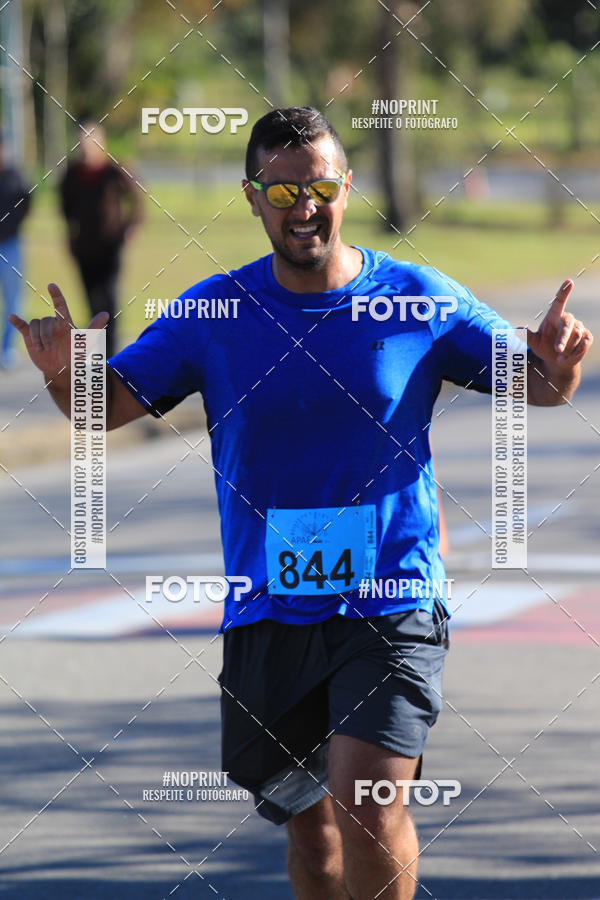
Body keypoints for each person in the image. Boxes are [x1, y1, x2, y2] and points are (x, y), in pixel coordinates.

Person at [10, 107, 593, 899]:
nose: (303, 207)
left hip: (391, 596)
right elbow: (101, 406)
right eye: (281, 192)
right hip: (269, 609)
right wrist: (60, 371)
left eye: (318, 186)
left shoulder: (415, 299)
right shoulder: (214, 312)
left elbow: (539, 384)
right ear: (253, 199)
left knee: (368, 801)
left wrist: (560, 366)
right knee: (312, 834)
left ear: (345, 186)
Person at [58, 121, 142, 357]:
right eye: (82, 142)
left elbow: (137, 200)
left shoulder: (114, 171)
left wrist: (131, 227)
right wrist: (70, 235)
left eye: (91, 141)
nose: (87, 147)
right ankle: (97, 356)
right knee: (92, 303)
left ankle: (113, 357)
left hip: (111, 247)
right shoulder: (72, 174)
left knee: (110, 301)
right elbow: (64, 208)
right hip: (84, 248)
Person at [0, 132, 31, 369]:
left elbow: (27, 201)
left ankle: (8, 348)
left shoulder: (15, 177)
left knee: (14, 300)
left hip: (11, 244)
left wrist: (15, 225)